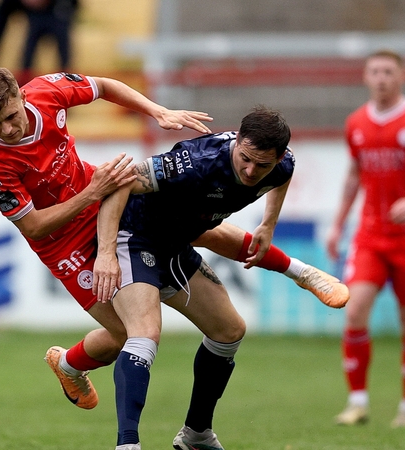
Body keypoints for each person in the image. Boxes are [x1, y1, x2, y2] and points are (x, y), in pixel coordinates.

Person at [0, 68, 347, 422]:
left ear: (20, 94)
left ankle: (301, 271)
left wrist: (156, 110)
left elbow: (106, 87)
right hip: (63, 241)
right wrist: (92, 193)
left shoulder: (47, 91)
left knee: (197, 225)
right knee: (124, 336)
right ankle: (69, 364)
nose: (8, 128)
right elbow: (33, 226)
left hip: (102, 198)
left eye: (11, 116)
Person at [91, 106, 340, 450]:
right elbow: (120, 184)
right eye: (246, 159)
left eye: (262, 165)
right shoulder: (197, 162)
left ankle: (196, 435)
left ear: (278, 157)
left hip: (177, 241)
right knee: (144, 334)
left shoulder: (281, 165)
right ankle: (127, 444)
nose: (251, 171)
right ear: (236, 141)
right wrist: (105, 253)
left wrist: (268, 224)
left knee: (229, 331)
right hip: (134, 236)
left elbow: (282, 176)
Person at [327, 49, 405, 429]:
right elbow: (353, 175)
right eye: (374, 71)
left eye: (388, 72)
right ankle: (357, 402)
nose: (381, 78)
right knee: (355, 308)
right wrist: (337, 224)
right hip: (371, 235)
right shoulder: (356, 123)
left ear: (401, 76)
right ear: (365, 77)